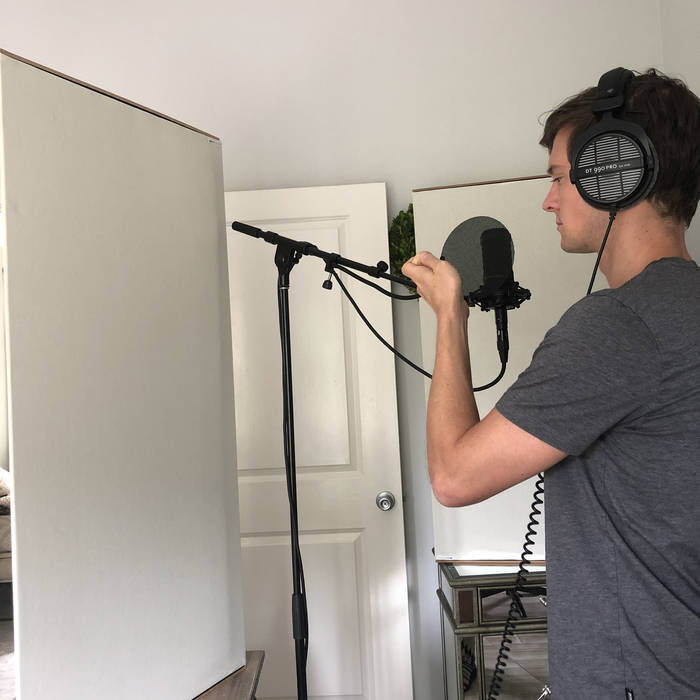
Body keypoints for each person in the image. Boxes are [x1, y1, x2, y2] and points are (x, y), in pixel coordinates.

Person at [402, 69, 700, 700]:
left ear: (616, 172)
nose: (549, 201)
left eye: (560, 177)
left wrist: (450, 315)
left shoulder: (618, 326)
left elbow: (454, 476)